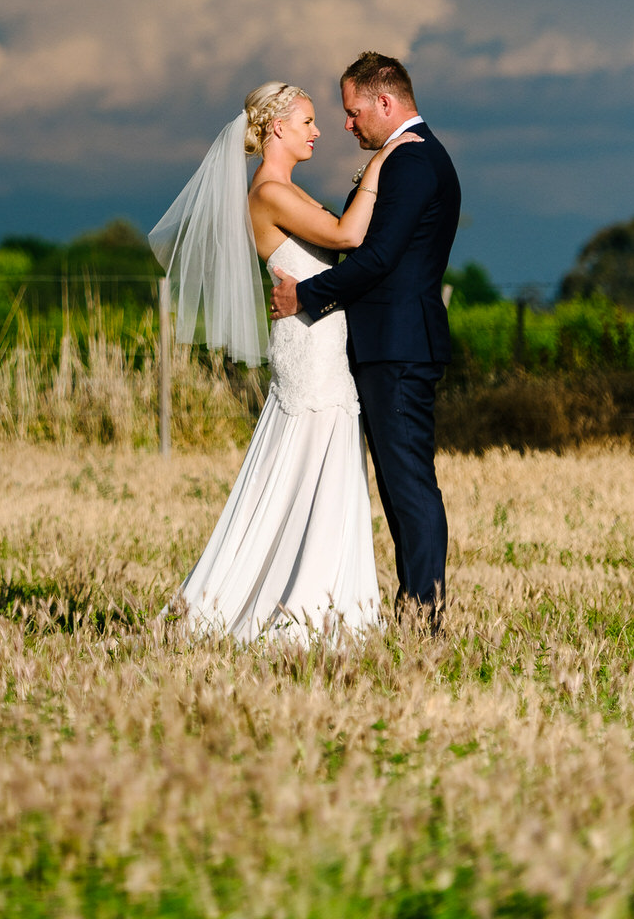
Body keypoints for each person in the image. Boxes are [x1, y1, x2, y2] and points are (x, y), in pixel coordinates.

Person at [150, 76, 420, 644]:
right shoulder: (270, 194)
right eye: (307, 122)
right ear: (277, 128)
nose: (319, 131)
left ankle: (327, 599)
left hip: (321, 341)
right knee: (306, 457)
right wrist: (384, 161)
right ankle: (304, 606)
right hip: (310, 350)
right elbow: (348, 236)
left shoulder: (288, 192)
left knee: (320, 462)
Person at [270, 51, 461, 626]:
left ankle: (424, 611)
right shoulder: (406, 156)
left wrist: (303, 297)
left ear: (385, 102)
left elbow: (376, 258)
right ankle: (415, 602)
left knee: (408, 484)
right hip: (393, 344)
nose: (347, 125)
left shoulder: (412, 161)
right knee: (399, 483)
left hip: (398, 347)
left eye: (353, 113)